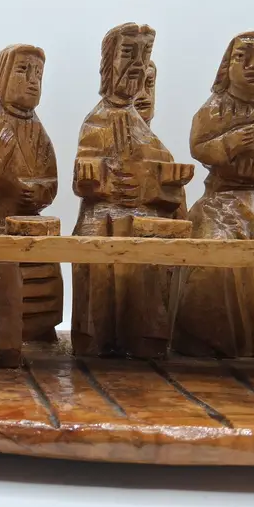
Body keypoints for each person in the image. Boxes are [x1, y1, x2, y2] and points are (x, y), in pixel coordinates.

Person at [72, 23, 191, 357]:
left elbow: (169, 185)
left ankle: (142, 339)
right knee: (95, 242)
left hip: (139, 222)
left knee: (151, 254)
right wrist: (97, 178)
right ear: (108, 62)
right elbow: (84, 179)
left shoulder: (144, 131)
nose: (137, 64)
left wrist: (154, 184)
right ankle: (97, 339)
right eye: (128, 53)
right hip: (104, 217)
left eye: (145, 53)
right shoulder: (96, 120)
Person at [173, 32, 254, 357]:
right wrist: (232, 142)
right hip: (220, 198)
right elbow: (199, 146)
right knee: (216, 261)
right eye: (243, 56)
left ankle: (247, 338)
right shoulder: (216, 106)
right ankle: (207, 337)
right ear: (228, 65)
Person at [0, 44, 62, 341]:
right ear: (3, 77)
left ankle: (41, 330)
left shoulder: (39, 133)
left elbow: (53, 182)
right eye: (23, 70)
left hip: (33, 227)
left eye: (38, 74)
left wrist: (39, 192)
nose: (33, 81)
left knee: (43, 279)